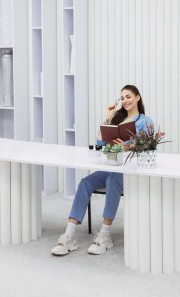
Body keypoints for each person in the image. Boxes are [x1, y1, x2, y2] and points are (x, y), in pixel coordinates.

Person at [51, 85, 154, 256]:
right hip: (113, 166)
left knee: (112, 180)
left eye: (128, 96)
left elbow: (149, 147)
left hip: (131, 170)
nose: (125, 101)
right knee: (85, 183)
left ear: (137, 97)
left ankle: (105, 235)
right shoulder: (117, 119)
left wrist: (127, 145)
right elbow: (100, 144)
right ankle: (69, 235)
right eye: (122, 98)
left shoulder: (146, 121)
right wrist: (109, 117)